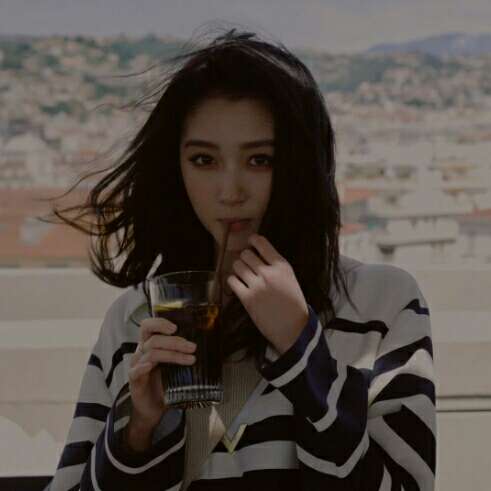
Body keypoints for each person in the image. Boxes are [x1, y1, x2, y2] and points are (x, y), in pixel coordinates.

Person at [44, 26, 436, 490]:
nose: (230, 191)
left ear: (301, 165)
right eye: (203, 160)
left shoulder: (382, 303)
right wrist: (137, 432)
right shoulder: (134, 319)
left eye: (260, 160)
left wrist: (302, 350)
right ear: (176, 168)